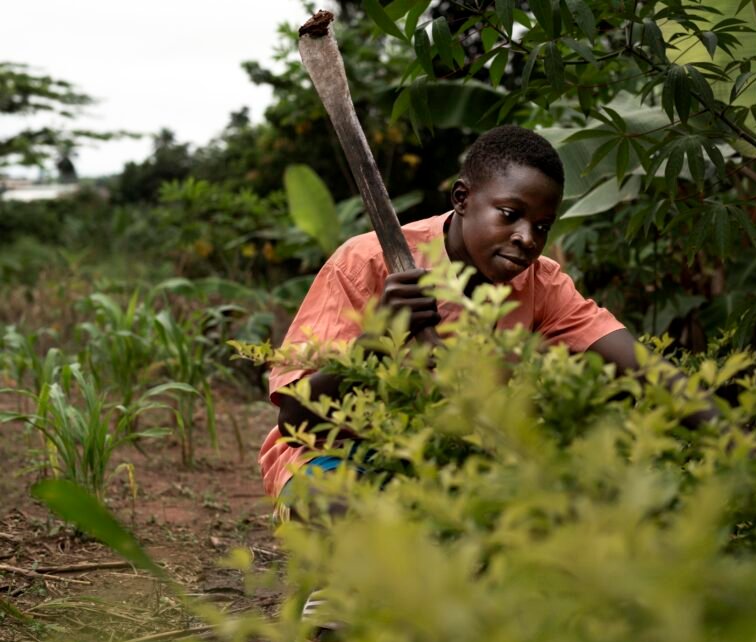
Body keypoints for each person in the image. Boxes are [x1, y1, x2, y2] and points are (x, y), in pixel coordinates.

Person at [259, 125, 647, 508]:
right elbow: (295, 421)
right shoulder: (365, 262)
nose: (527, 238)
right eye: (510, 214)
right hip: (333, 457)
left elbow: (644, 368)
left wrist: (706, 426)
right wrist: (380, 338)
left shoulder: (541, 283)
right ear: (462, 198)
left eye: (542, 227)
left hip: (446, 461)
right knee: (358, 520)